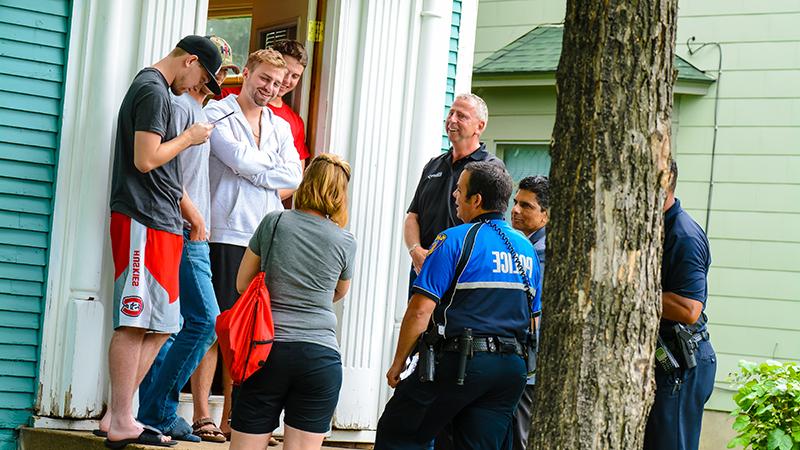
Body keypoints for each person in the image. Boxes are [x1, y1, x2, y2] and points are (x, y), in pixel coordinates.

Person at [101, 35, 221, 448]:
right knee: (135, 320)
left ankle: (118, 413)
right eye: (201, 77)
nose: (196, 87)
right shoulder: (152, 90)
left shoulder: (161, 94)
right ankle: (119, 417)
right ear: (189, 60)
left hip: (163, 221)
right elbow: (145, 158)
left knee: (162, 324)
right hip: (141, 217)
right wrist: (189, 137)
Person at [375, 162, 542, 450]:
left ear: (476, 200)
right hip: (509, 372)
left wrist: (399, 362)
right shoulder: (526, 249)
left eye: (459, 190)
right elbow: (533, 320)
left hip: (462, 363)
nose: (453, 195)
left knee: (399, 432)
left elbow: (420, 310)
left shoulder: (453, 239)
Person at [136, 36, 239, 444]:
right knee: (204, 320)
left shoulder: (197, 109)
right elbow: (161, 168)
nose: (213, 85)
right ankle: (157, 409)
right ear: (193, 66)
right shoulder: (177, 105)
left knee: (172, 323)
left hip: (192, 230)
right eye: (211, 76)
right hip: (181, 229)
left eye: (221, 79)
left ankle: (153, 411)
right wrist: (193, 215)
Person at [205, 47, 303, 438]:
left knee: (248, 333)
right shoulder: (217, 114)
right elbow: (236, 159)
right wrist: (267, 170)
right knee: (215, 327)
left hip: (264, 238)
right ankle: (202, 412)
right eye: (264, 78)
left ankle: (234, 417)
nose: (269, 87)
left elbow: (294, 175)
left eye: (277, 83)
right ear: (246, 73)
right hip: (225, 235)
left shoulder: (280, 126)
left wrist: (256, 168)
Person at [229, 154, 357, 450]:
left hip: (266, 350)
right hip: (320, 357)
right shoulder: (345, 241)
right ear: (340, 195)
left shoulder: (275, 222)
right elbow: (339, 292)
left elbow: (241, 284)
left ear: (306, 184)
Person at [643, 160, 716, 450]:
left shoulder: (683, 235)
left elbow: (689, 309)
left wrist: (634, 293)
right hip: (662, 359)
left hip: (682, 361)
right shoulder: (651, 226)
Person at [404, 93, 503, 294]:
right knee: (418, 323)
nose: (452, 120)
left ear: (480, 126)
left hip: (464, 272)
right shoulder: (433, 165)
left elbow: (492, 227)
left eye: (462, 116)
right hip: (424, 268)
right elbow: (413, 216)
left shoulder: (490, 168)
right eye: (451, 113)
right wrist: (415, 250)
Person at [509, 175, 549, 450]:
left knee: (521, 438)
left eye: (526, 206)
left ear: (546, 214)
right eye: (515, 202)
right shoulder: (524, 245)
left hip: (530, 363)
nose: (515, 210)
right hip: (521, 360)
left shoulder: (540, 254)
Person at [268, 39, 312, 169]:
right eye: (285, 72)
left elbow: (297, 174)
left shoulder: (295, 122)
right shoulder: (230, 96)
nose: (287, 80)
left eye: (295, 76)